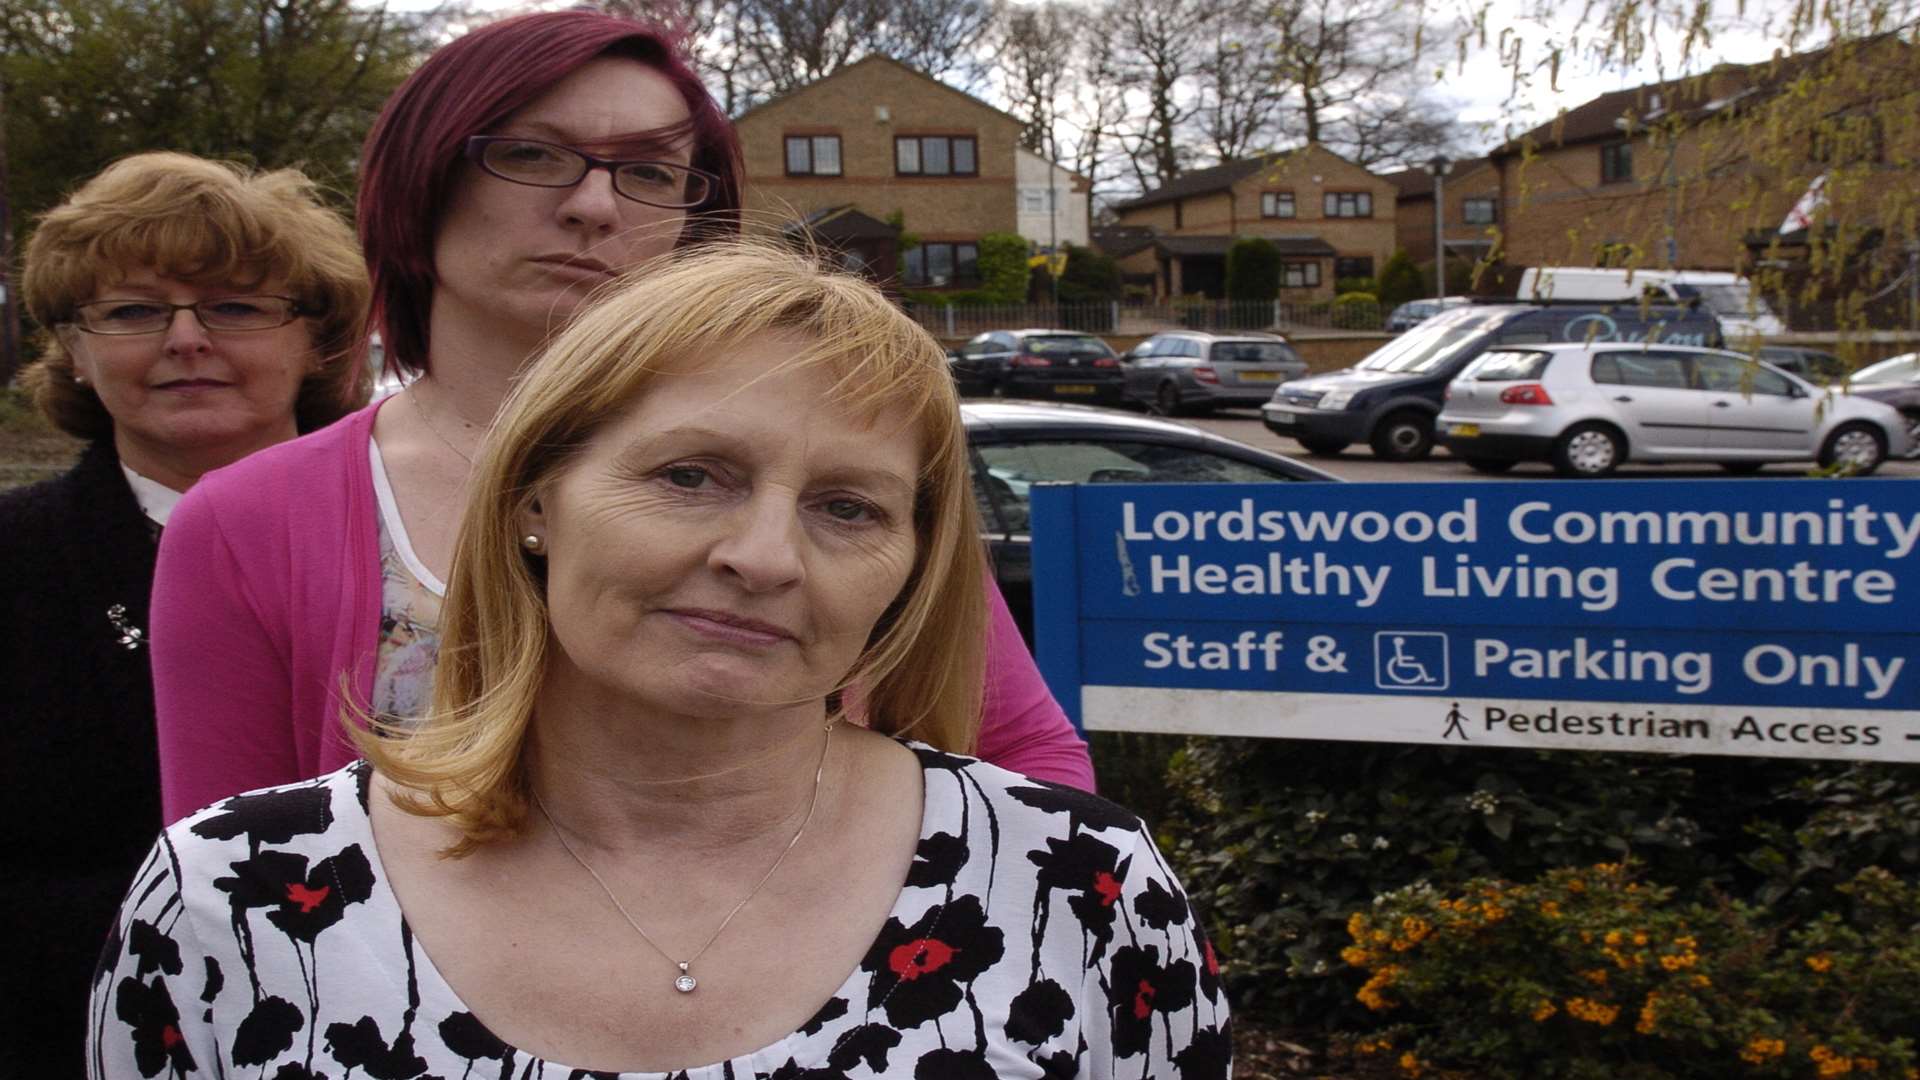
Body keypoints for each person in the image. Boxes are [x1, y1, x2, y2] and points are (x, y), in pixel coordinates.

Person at [94, 245, 1229, 1077]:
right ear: (537, 499)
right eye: (692, 476)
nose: (764, 557)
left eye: (847, 507)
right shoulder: (234, 898)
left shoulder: (1079, 887)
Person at [150, 11, 1092, 823]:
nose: (594, 204)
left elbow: (1029, 765)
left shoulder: (835, 475)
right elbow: (232, 895)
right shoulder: (246, 521)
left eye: (649, 171)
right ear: (422, 179)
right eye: (530, 154)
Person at [0, 151, 369, 1078]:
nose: (186, 340)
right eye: (132, 312)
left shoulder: (447, 537)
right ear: (75, 350)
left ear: (318, 342)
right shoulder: (18, 562)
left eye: (235, 307)